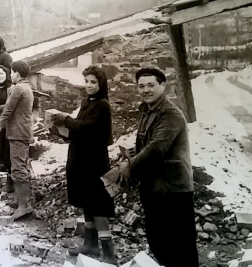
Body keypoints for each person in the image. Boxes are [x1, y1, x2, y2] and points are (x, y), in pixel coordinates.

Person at [117, 67, 199, 267]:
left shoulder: (170, 113)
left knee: (181, 246)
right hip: (153, 187)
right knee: (158, 242)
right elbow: (144, 145)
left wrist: (130, 166)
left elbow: (156, 148)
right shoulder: (146, 111)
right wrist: (127, 159)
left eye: (151, 85)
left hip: (173, 190)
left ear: (162, 86)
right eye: (141, 86)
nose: (146, 90)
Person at [52, 66, 117, 265]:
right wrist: (60, 130)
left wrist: (67, 119)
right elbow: (78, 129)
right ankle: (90, 244)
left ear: (101, 84)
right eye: (86, 81)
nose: (88, 86)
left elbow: (87, 128)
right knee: (87, 202)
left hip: (94, 161)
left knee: (98, 205)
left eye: (93, 82)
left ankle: (108, 253)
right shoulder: (86, 102)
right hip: (80, 159)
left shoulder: (102, 105)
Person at [0, 60, 34, 220]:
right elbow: (13, 106)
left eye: (11, 72)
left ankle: (24, 206)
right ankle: (24, 201)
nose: (10, 75)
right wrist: (1, 108)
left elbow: (8, 110)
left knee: (18, 169)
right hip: (23, 132)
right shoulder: (27, 87)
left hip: (17, 133)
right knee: (22, 166)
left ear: (17, 73)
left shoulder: (17, 88)